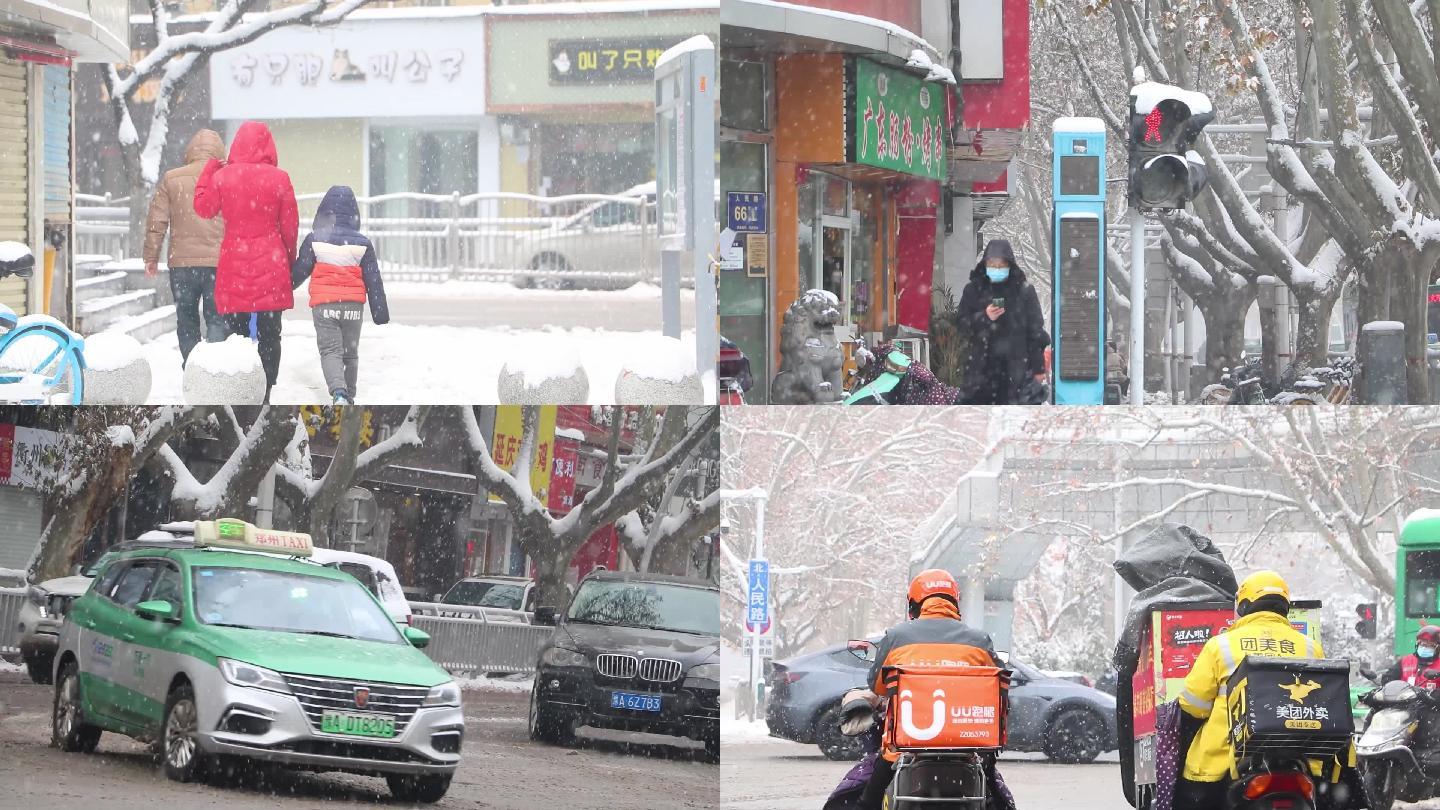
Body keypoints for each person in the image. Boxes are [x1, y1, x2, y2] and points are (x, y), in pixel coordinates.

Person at [858, 569, 1013, 810]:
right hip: (966, 741)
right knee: (992, 786)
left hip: (909, 739)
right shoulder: (979, 641)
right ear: (954, 602)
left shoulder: (897, 637)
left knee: (875, 782)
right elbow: (998, 687)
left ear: (914, 604)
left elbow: (877, 685)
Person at [1174, 571, 1322, 809]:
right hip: (1298, 756)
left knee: (1188, 799)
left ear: (1243, 606)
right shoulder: (1309, 647)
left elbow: (1194, 704)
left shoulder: (1220, 645)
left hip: (1226, 758)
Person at [193, 121, 299, 403]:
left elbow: (203, 208)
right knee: (270, 333)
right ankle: (266, 388)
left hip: (234, 263)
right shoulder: (280, 178)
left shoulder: (224, 177)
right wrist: (288, 260)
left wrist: (209, 170)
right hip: (271, 262)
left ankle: (242, 389)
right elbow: (289, 227)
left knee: (236, 335)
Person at [290, 186, 389, 404]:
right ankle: (349, 397)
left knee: (330, 352)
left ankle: (339, 393)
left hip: (324, 306)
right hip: (353, 307)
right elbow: (374, 280)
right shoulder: (363, 243)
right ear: (355, 214)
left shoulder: (314, 239)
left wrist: (284, 288)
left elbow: (299, 272)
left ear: (323, 212)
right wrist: (380, 312)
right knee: (350, 354)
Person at [142, 129, 229, 366]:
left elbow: (156, 219)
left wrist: (151, 256)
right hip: (218, 266)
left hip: (182, 265)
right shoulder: (227, 177)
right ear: (219, 151)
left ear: (190, 151)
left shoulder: (172, 178)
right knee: (217, 320)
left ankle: (192, 366)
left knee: (187, 318)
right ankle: (213, 370)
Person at [955, 239, 1048, 405]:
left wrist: (1038, 367)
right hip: (980, 372)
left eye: (1001, 265)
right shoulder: (973, 290)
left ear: (1009, 265)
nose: (996, 269)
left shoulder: (1024, 291)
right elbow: (962, 324)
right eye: (992, 264)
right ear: (985, 264)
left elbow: (1036, 332)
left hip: (1017, 372)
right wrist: (984, 317)